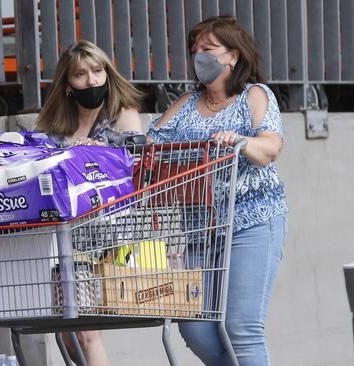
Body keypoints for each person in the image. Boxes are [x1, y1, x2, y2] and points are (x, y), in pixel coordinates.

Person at [147, 15, 288, 366]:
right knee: (193, 326)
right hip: (201, 228)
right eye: (195, 50)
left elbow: (270, 146)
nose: (200, 57)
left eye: (208, 49)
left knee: (240, 327)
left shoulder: (254, 96)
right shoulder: (186, 103)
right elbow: (148, 146)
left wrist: (241, 140)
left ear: (233, 56)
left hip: (251, 222)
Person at [35, 40, 144, 366]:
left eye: (97, 71)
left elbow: (136, 166)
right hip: (64, 237)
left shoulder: (121, 114)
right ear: (67, 84)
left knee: (85, 331)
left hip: (107, 234)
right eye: (81, 74)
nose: (91, 80)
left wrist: (98, 154)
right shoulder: (53, 126)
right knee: (70, 334)